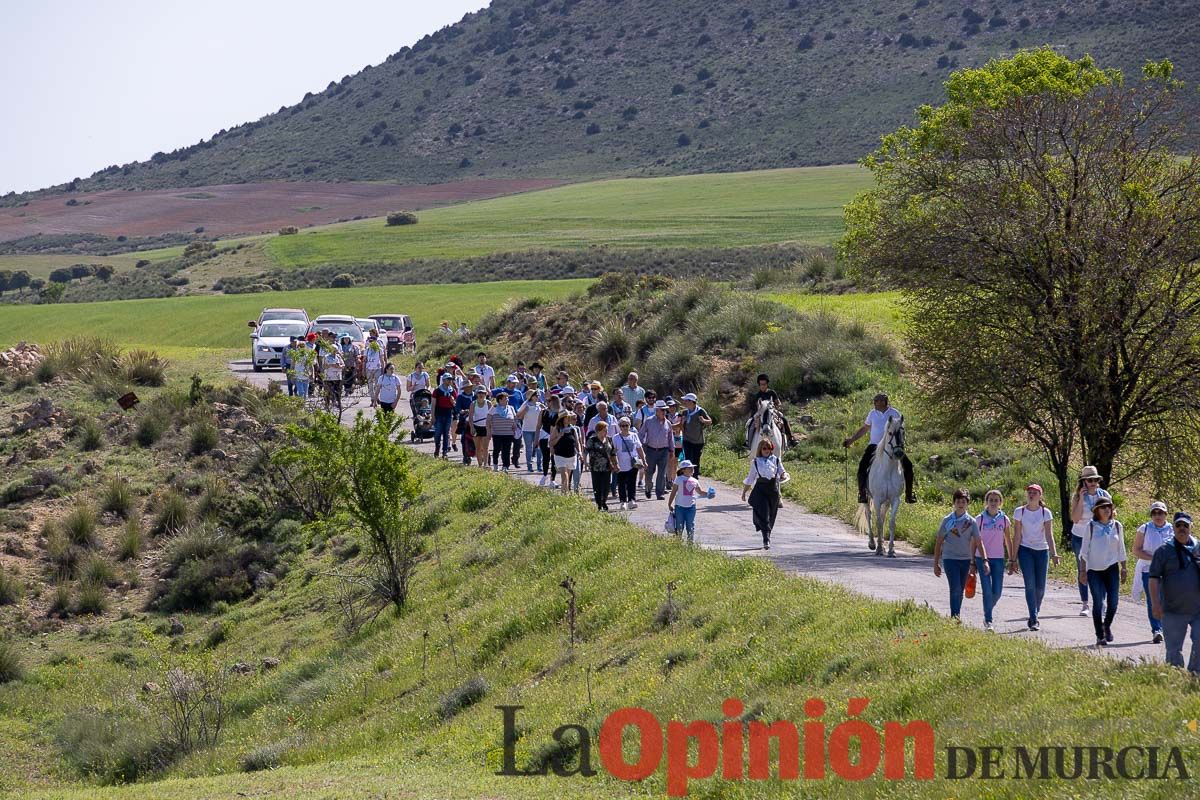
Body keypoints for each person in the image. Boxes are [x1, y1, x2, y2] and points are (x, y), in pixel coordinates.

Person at [1148, 512, 1200, 674]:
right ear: (1173, 527)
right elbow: (1154, 578)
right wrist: (1155, 604)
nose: (1182, 528)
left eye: (1185, 525)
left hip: (1198, 609)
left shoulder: (1199, 548)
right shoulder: (1163, 551)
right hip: (1173, 610)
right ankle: (1174, 679)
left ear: (1191, 527)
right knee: (1173, 651)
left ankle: (1194, 675)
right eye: (1178, 525)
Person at [843, 393, 916, 504]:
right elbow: (865, 428)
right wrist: (852, 440)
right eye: (876, 402)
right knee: (862, 466)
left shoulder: (894, 413)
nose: (877, 404)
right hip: (874, 446)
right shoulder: (872, 414)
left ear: (885, 402)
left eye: (879, 402)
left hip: (892, 447)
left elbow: (900, 430)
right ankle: (863, 494)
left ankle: (909, 494)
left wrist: (900, 444)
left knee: (908, 465)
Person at [1078, 496, 1127, 647]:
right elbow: (1084, 551)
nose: (1106, 510)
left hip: (1111, 568)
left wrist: (1124, 567)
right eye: (1103, 507)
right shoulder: (1091, 526)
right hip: (1094, 570)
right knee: (1098, 602)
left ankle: (1106, 626)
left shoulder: (1117, 526)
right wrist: (1082, 571)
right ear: (1096, 511)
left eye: (1109, 507)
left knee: (1113, 603)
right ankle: (1100, 635)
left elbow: (1121, 549)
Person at [932, 488, 986, 623]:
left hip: (965, 560)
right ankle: (954, 618)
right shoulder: (947, 520)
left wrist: (984, 560)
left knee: (960, 589)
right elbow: (939, 542)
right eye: (958, 501)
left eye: (963, 501)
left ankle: (956, 615)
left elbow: (979, 542)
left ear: (967, 503)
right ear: (954, 503)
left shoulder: (971, 522)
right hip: (950, 559)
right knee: (955, 588)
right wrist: (936, 563)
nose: (960, 504)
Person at [1011, 483, 1059, 631]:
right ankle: (1033, 617)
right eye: (1029, 492)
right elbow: (1017, 536)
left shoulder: (1046, 513)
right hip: (1025, 550)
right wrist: (1012, 558)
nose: (1031, 495)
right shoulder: (1020, 512)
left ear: (1040, 496)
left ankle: (1035, 610)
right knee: (1030, 585)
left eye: (1034, 493)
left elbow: (1049, 535)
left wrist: (1054, 553)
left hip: (1042, 550)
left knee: (1040, 587)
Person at [1070, 465, 1112, 618]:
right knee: (1083, 569)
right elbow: (1075, 518)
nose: (1092, 482)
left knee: (1100, 568)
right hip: (1080, 536)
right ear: (1084, 482)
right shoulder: (1077, 496)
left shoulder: (1104, 495)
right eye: (1089, 480)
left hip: (1098, 536)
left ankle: (1101, 601)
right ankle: (1085, 603)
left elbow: (1110, 516)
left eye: (1095, 479)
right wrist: (1081, 498)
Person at [1134, 501, 1172, 644]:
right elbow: (1136, 550)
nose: (1158, 516)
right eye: (1154, 513)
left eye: (1160, 513)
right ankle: (1157, 630)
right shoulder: (1144, 529)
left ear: (1166, 514)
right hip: (1148, 570)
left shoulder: (1173, 529)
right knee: (1153, 600)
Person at [741, 438, 788, 549]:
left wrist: (784, 475)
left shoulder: (776, 460)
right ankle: (766, 539)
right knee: (764, 514)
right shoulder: (755, 462)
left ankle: (767, 533)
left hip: (773, 490)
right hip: (760, 490)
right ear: (760, 449)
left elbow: (782, 471)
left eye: (769, 448)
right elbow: (750, 478)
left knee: (771, 515)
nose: (767, 450)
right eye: (764, 448)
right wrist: (744, 492)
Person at [975, 489, 1011, 632]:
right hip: (981, 557)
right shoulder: (979, 519)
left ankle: (987, 610)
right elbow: (975, 540)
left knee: (997, 591)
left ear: (1000, 502)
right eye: (991, 500)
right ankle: (989, 620)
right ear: (986, 502)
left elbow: (1008, 539)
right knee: (987, 590)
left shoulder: (1004, 519)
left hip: (998, 558)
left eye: (996, 500)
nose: (994, 503)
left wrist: (1012, 558)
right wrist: (972, 560)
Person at [667, 460, 712, 544]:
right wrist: (669, 503)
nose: (692, 469)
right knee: (679, 525)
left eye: (692, 468)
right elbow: (673, 492)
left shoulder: (695, 480)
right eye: (689, 468)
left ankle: (690, 543)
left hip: (691, 507)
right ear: (683, 470)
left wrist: (708, 494)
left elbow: (700, 492)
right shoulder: (678, 479)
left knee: (690, 525)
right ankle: (678, 543)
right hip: (679, 507)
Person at [751, 374, 798, 447]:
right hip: (760, 413)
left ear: (767, 384)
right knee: (750, 424)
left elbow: (778, 403)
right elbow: (754, 407)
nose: (763, 386)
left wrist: (776, 407)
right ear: (759, 385)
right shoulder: (757, 396)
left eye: (764, 384)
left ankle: (790, 438)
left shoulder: (772, 393)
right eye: (761, 384)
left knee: (784, 419)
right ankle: (748, 442)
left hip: (771, 411)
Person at [640, 401, 674, 501]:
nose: (664, 412)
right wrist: (639, 447)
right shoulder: (649, 421)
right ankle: (648, 487)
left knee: (662, 472)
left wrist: (672, 450)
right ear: (657, 410)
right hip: (650, 450)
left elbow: (670, 438)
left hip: (664, 451)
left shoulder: (668, 423)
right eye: (662, 410)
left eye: (665, 410)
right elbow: (641, 434)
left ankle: (660, 493)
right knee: (649, 471)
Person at [613, 417, 646, 511]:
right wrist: (615, 463)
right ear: (619, 426)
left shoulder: (634, 435)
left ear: (629, 426)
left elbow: (639, 448)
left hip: (633, 464)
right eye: (622, 425)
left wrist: (644, 460)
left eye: (626, 425)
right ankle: (623, 501)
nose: (625, 427)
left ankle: (631, 500)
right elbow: (613, 451)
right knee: (621, 484)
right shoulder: (616, 437)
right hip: (621, 464)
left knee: (632, 482)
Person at [585, 421, 618, 511]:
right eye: (604, 430)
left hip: (607, 467)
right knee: (597, 486)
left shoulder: (609, 440)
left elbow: (613, 453)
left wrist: (616, 464)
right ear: (598, 431)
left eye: (607, 430)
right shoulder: (592, 440)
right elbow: (586, 451)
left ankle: (604, 501)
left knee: (606, 486)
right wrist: (585, 462)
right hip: (595, 467)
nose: (606, 432)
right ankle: (599, 503)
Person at [679, 393, 713, 476]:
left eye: (686, 400)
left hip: (698, 441)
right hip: (687, 440)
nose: (685, 402)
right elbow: (681, 427)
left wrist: (703, 421)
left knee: (696, 460)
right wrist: (682, 422)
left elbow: (710, 421)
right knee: (688, 460)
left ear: (692, 402)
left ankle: (695, 477)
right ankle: (686, 476)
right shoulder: (684, 412)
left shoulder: (700, 411)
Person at [486, 390, 519, 472]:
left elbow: (515, 418)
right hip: (497, 433)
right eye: (505, 399)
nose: (507, 400)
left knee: (506, 450)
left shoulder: (510, 408)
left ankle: (505, 466)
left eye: (507, 398)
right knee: (497, 449)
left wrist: (515, 424)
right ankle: (495, 464)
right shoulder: (494, 408)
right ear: (500, 400)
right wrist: (489, 431)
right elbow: (488, 420)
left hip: (508, 433)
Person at [551, 412, 581, 495]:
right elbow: (551, 443)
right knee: (564, 475)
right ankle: (564, 494)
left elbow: (577, 442)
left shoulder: (573, 429)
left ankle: (565, 493)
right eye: (567, 417)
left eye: (569, 418)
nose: (568, 419)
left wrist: (580, 453)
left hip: (571, 455)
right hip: (560, 455)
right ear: (562, 419)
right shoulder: (557, 429)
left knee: (568, 475)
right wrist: (559, 436)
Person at [518, 389, 545, 474]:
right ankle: (529, 466)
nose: (538, 397)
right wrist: (524, 411)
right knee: (529, 449)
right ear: (532, 397)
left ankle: (539, 466)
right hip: (527, 430)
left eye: (538, 396)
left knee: (539, 449)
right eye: (536, 395)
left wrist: (544, 409)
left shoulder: (540, 405)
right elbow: (519, 416)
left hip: (538, 430)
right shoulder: (526, 405)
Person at [431, 373, 458, 459]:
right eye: (448, 379)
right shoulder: (437, 391)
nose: (450, 381)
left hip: (448, 413)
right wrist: (433, 416)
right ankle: (437, 449)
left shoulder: (452, 391)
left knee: (446, 433)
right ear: (443, 380)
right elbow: (433, 404)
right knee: (438, 433)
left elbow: (455, 404)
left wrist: (452, 401)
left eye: (450, 379)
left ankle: (444, 452)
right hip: (439, 413)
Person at [538, 395, 561, 487]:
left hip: (554, 438)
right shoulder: (543, 412)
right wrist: (536, 439)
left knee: (554, 459)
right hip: (544, 436)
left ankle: (553, 479)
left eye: (549, 400)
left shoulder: (559, 413)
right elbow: (538, 425)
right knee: (546, 457)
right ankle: (544, 475)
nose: (548, 402)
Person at [363, 329, 387, 407]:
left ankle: (377, 398)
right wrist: (363, 369)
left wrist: (383, 368)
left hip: (377, 368)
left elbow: (382, 359)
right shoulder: (367, 350)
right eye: (370, 341)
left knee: (377, 384)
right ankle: (372, 399)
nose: (371, 342)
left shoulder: (379, 349)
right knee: (370, 384)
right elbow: (364, 360)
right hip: (369, 368)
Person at [469, 387, 492, 467]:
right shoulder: (473, 404)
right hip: (476, 427)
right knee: (478, 447)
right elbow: (471, 417)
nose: (481, 395)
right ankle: (480, 464)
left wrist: (490, 429)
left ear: (486, 394)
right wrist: (472, 427)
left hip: (486, 427)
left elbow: (491, 416)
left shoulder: (488, 403)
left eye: (483, 393)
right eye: (479, 393)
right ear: (476, 394)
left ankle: (486, 464)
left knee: (485, 447)